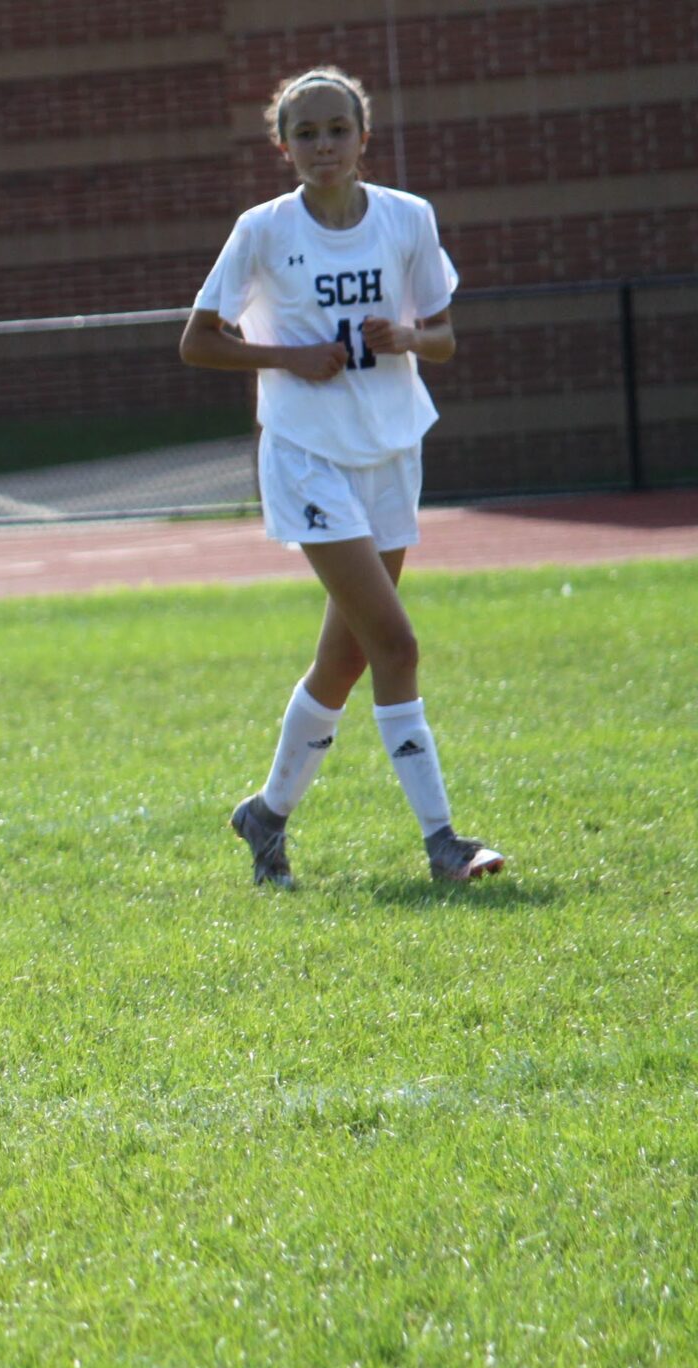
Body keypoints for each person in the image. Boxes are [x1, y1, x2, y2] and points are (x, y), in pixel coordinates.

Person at [181, 65, 504, 888]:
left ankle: (265, 817)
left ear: (364, 135)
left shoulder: (406, 217)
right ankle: (443, 840)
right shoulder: (262, 229)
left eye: (337, 128)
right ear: (282, 144)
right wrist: (287, 357)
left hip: (391, 446)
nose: (323, 144)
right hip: (306, 452)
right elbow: (200, 340)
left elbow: (443, 336)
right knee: (396, 642)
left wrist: (405, 335)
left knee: (350, 657)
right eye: (306, 132)